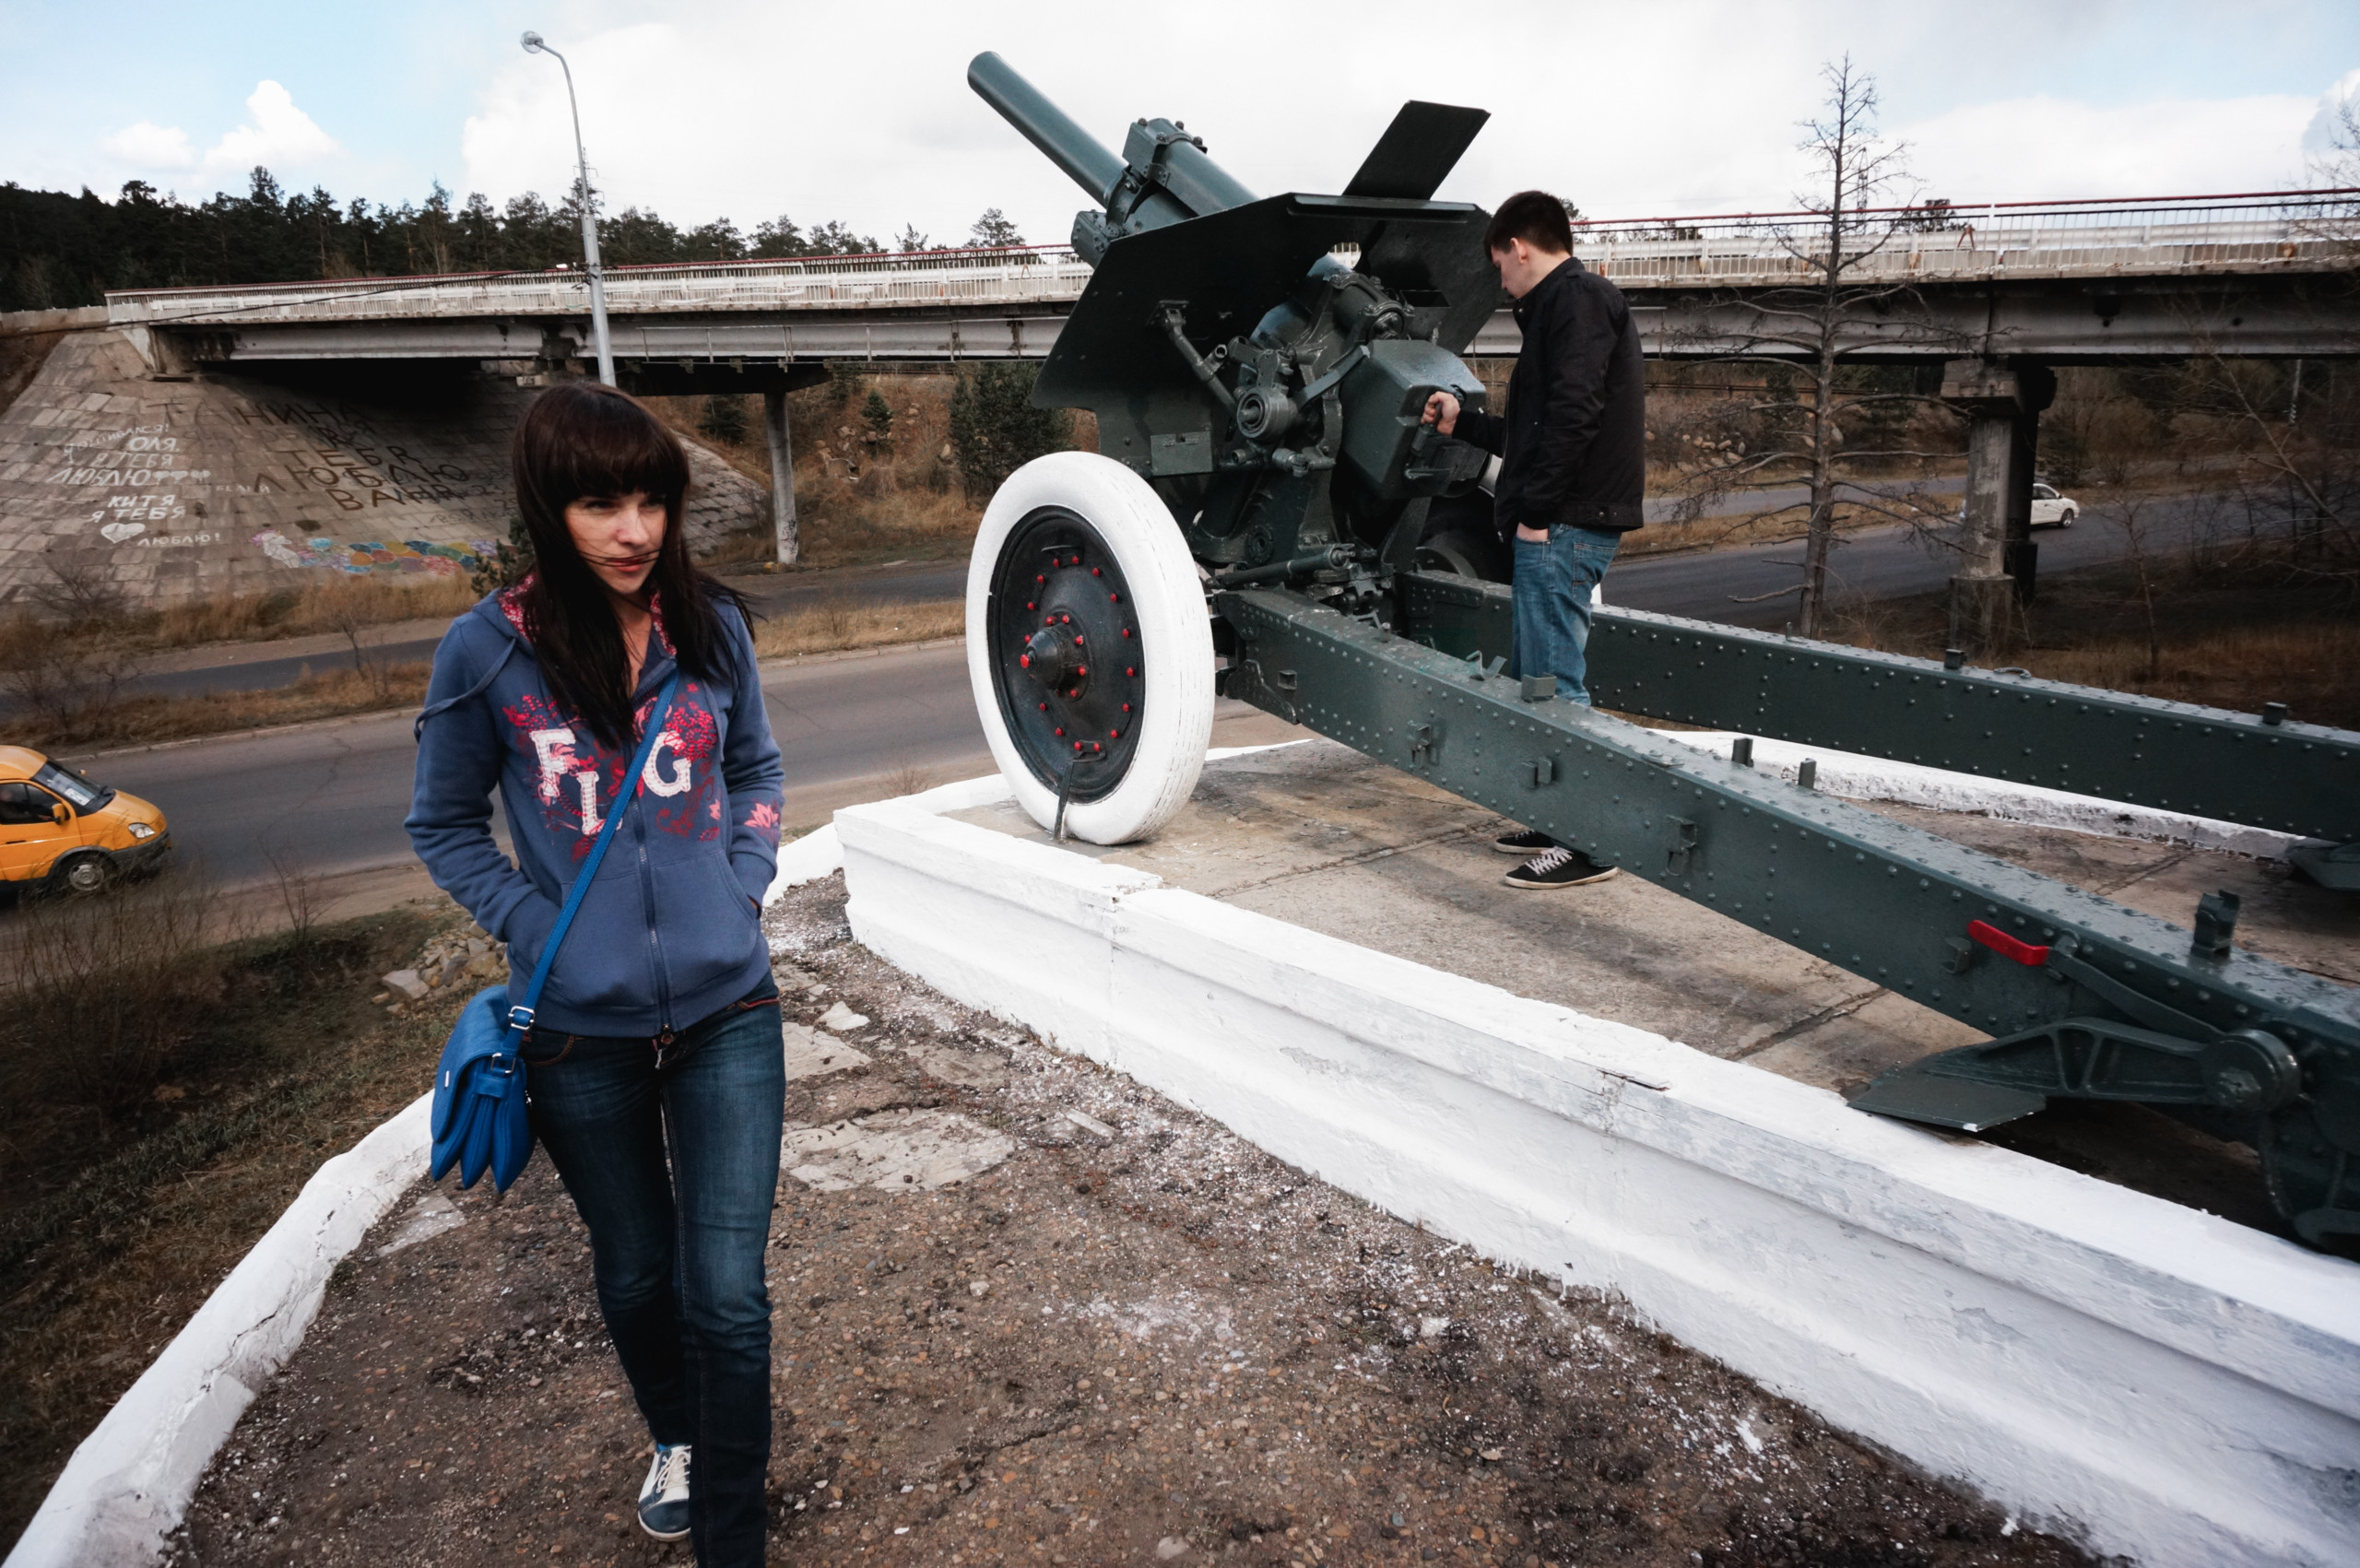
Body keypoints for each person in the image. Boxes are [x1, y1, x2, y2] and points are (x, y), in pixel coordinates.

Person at [407, 382, 787, 1566]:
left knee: (724, 1293)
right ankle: (676, 1433)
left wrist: (741, 879)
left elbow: (760, 767)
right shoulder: (488, 650)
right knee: (634, 1271)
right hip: (578, 1032)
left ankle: (733, 1538)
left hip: (730, 1008)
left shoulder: (708, 628)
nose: (633, 532)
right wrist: (535, 928)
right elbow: (444, 824)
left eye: (651, 503)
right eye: (600, 505)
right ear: (547, 507)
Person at [1422, 188, 1646, 890]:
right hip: (1560, 520)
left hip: (1565, 525)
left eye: (1499, 266)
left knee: (1554, 687)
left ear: (1520, 247)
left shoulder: (1576, 300)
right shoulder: (1560, 307)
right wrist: (1465, 423)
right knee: (1534, 679)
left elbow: (1575, 414)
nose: (1500, 280)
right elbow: (1538, 428)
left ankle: (1589, 839)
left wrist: (1538, 512)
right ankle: (1556, 817)